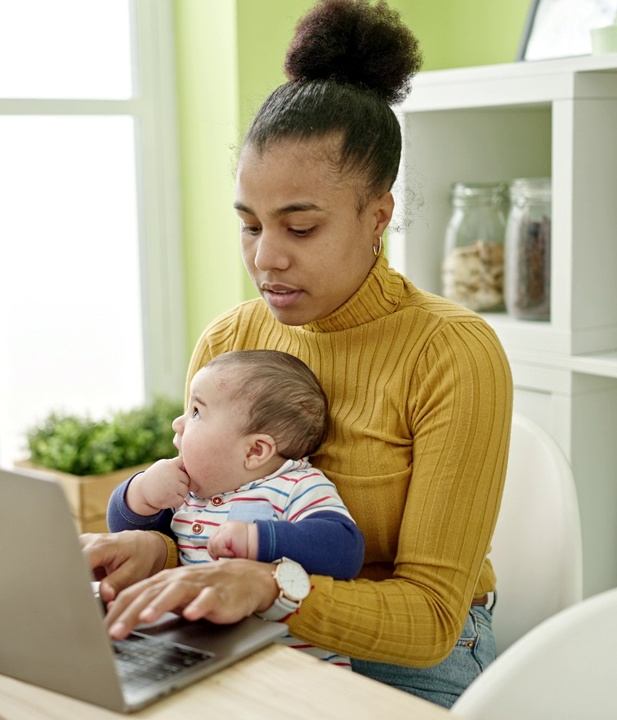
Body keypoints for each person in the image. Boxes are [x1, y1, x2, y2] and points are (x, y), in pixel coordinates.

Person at [82, 0, 513, 708]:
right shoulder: (230, 340)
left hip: (404, 657)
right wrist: (150, 554)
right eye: (249, 225)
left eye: (300, 227)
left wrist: (272, 588)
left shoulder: (451, 353)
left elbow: (434, 618)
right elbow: (200, 518)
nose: (266, 257)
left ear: (379, 216)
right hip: (250, 629)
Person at [107, 349, 365, 666]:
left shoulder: (295, 485)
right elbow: (128, 540)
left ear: (255, 450)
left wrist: (258, 540)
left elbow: (343, 549)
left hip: (291, 669)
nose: (178, 422)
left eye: (197, 412)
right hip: (205, 657)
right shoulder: (188, 488)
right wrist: (141, 495)